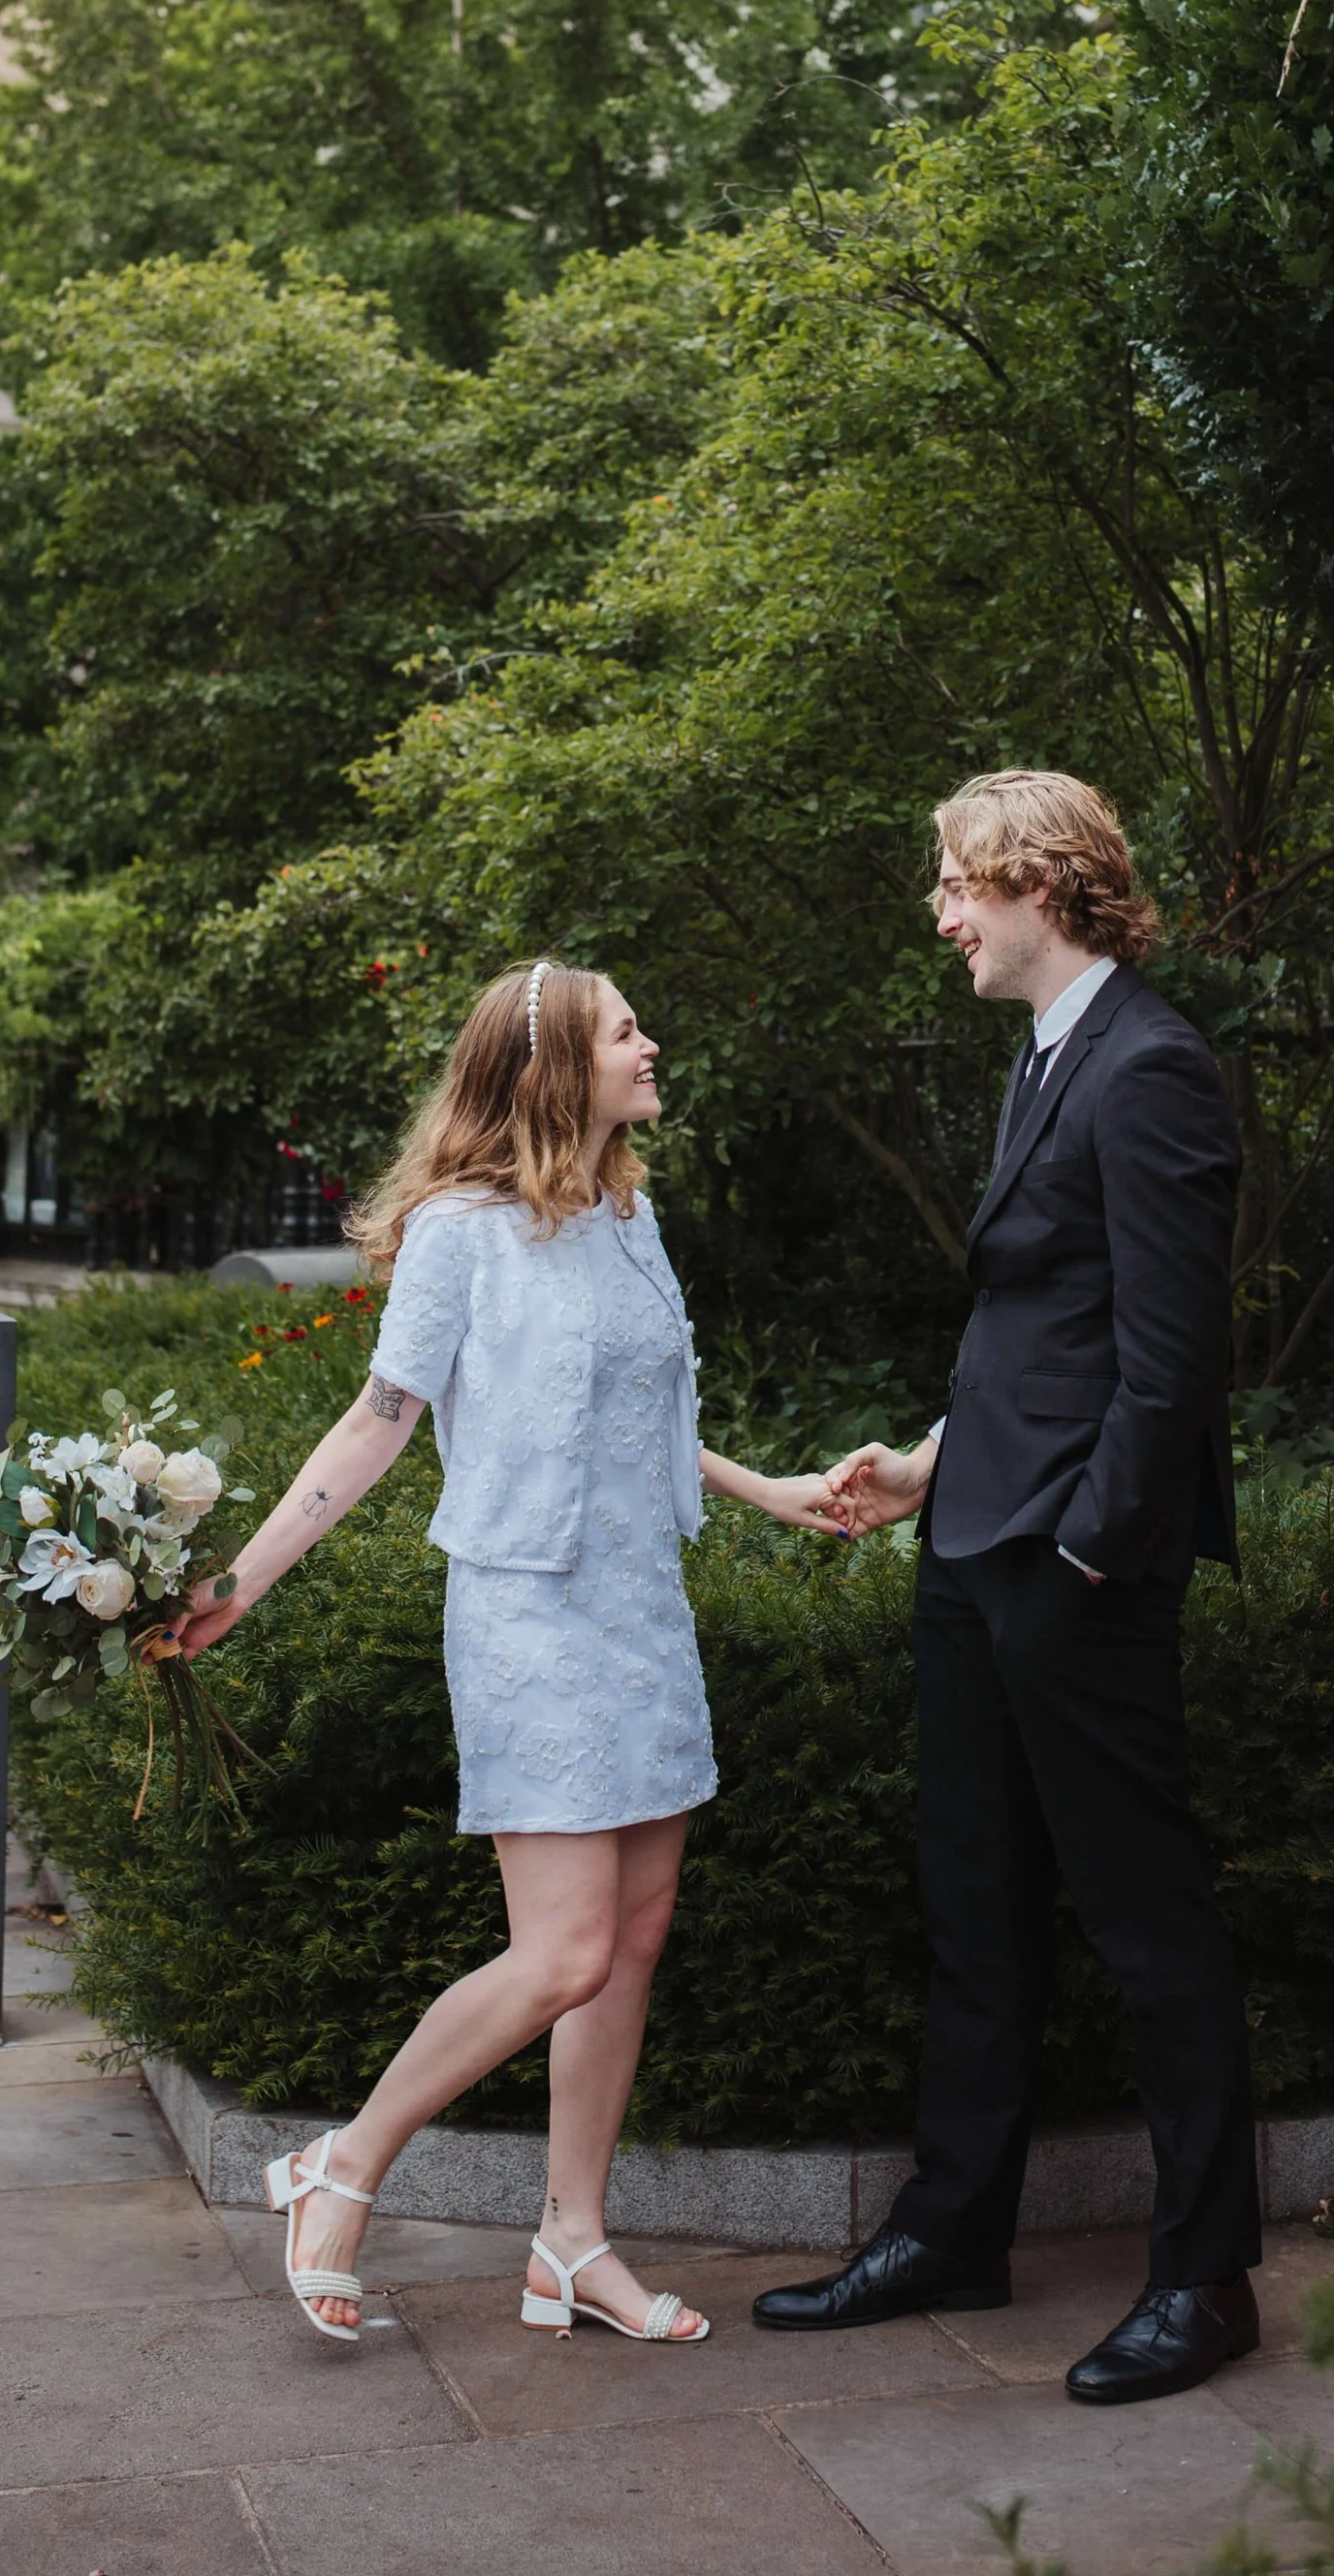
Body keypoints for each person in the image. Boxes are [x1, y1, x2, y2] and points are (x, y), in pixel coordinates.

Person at [175, 956, 838, 2346]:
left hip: (641, 1608)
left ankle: (570, 2242)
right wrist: (242, 1575)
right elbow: (380, 1417)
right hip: (528, 1610)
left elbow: (641, 1419)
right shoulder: (458, 1235)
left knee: (637, 1937)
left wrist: (770, 1488)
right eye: (624, 1032)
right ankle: (342, 2164)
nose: (652, 1045)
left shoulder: (626, 1216)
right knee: (565, 1953)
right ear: (554, 1071)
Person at [762, 770, 1262, 2404]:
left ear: (1037, 881)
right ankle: (953, 2226)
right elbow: (1038, 1332)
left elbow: (1174, 1363)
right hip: (973, 1540)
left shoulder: (1155, 1064)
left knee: (1146, 1922)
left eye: (955, 884)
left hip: (1069, 1568)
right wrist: (930, 1463)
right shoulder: (1049, 1054)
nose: (940, 911)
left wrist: (1087, 1547)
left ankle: (1206, 2275)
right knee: (975, 1910)